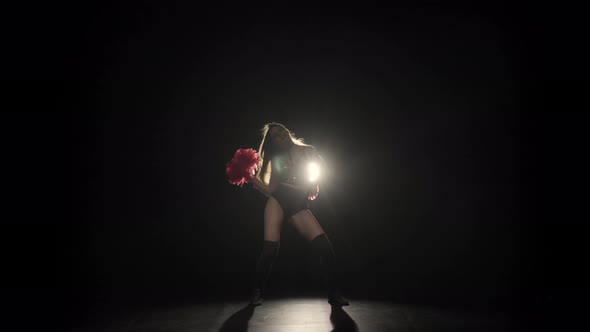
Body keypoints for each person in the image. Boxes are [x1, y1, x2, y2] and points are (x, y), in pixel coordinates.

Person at [247, 122, 349, 306]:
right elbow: (271, 189)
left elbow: (321, 172)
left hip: (299, 203)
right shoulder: (276, 158)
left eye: (281, 131)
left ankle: (334, 293)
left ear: (287, 131)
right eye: (275, 136)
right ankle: (256, 291)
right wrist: (251, 179)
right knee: (270, 250)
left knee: (324, 247)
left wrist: (311, 183)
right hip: (278, 201)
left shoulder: (309, 150)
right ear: (273, 143)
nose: (280, 136)